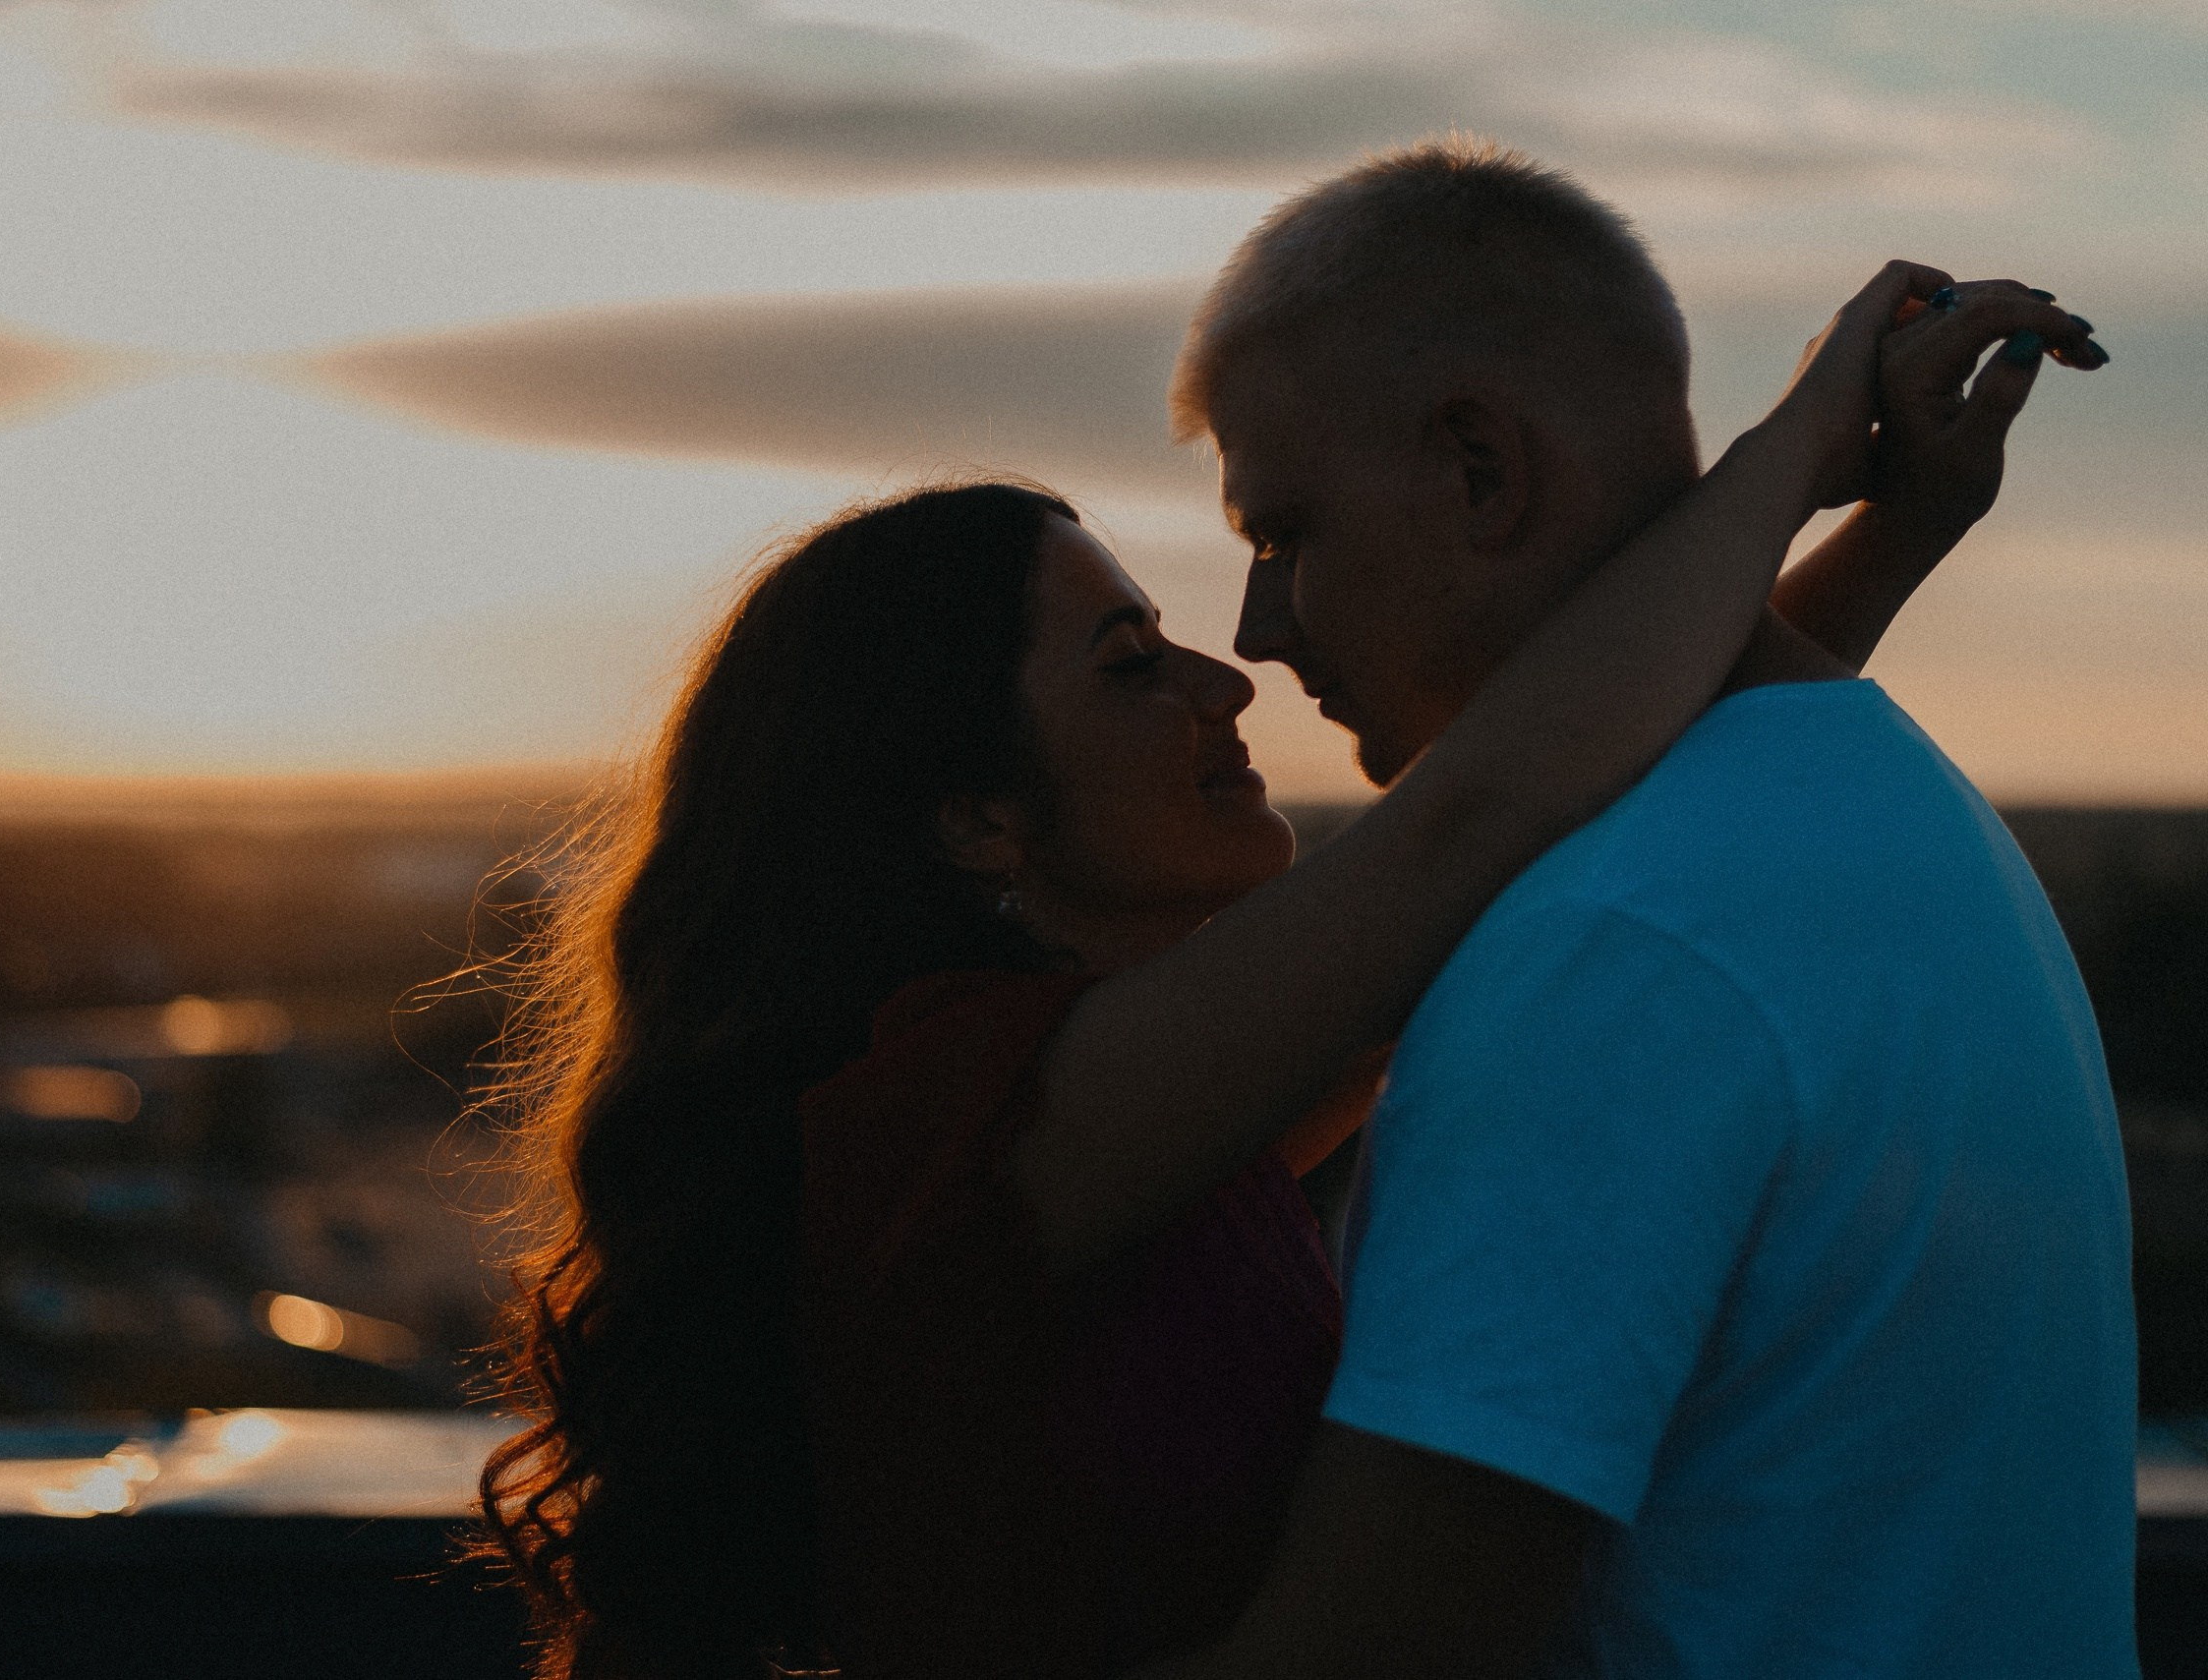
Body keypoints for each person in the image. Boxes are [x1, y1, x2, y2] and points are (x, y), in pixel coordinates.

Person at [470, 163, 2097, 1680]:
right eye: (1128, 661)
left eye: (1275, 543)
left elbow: (1566, 811)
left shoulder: (1193, 1094)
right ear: (972, 811)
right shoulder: (961, 1127)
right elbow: (1483, 819)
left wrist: (1883, 534)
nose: (1233, 663)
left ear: (1475, 467)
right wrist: (1797, 447)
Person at [1141, 141, 2133, 1679]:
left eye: (1284, 535)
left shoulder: (1611, 952)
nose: (1259, 632)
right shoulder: (1881, 815)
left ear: (1479, 467)